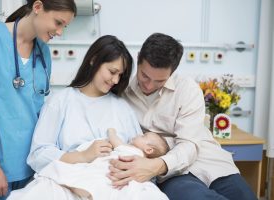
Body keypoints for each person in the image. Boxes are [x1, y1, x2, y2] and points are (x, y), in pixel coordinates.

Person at [109, 33, 257, 200]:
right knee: (195, 196)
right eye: (145, 76)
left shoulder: (188, 89)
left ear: (172, 72)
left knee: (245, 196)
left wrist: (156, 165)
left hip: (207, 160)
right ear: (138, 59)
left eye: (159, 81)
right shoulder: (122, 89)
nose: (149, 85)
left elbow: (189, 144)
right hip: (172, 173)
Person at [6, 35, 144, 199]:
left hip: (111, 181)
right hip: (68, 179)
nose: (115, 80)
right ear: (94, 60)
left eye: (120, 75)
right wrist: (82, 156)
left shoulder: (122, 109)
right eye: (112, 72)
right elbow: (39, 154)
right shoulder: (60, 101)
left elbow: (139, 153)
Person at [0, 0, 76, 199]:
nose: (60, 32)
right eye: (58, 22)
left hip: (30, 167)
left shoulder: (43, 52)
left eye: (64, 26)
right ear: (38, 7)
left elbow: (39, 111)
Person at [8, 128, 170, 200]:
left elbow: (116, 142)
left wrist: (112, 132)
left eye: (144, 136)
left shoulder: (132, 152)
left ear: (148, 150)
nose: (139, 134)